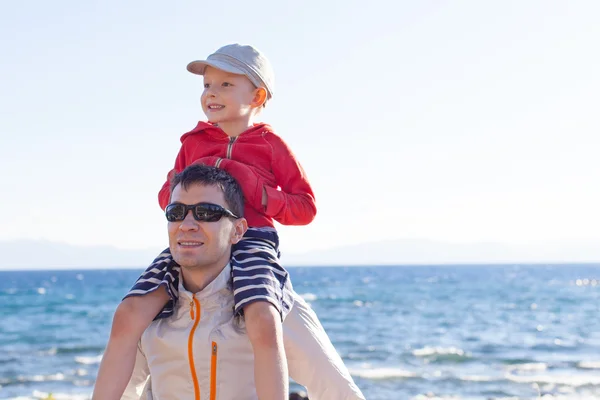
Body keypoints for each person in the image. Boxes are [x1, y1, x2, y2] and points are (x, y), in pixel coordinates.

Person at [92, 43, 328, 399]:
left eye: (225, 85)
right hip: (195, 239)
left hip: (253, 240)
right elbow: (165, 198)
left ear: (258, 94)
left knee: (262, 320)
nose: (211, 93)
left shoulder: (272, 144)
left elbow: (305, 208)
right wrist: (191, 188)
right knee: (128, 313)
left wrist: (258, 191)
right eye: (207, 85)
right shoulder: (194, 141)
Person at [120, 164, 364, 399]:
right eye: (176, 213)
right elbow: (123, 392)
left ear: (238, 230)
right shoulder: (149, 309)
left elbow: (338, 392)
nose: (187, 225)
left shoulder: (273, 305)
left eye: (206, 213)